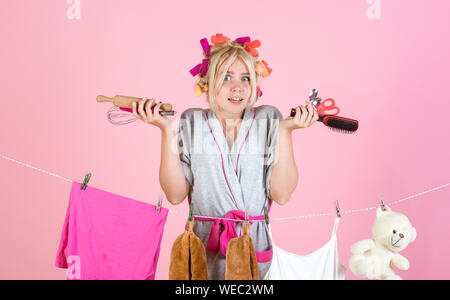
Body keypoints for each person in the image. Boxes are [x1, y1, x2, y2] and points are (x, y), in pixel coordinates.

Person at [132, 34, 319, 279]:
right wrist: (165, 130)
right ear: (208, 81)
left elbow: (282, 194)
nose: (237, 87)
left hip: (251, 244)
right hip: (202, 246)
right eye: (226, 77)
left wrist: (286, 131)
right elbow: (175, 195)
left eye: (245, 78)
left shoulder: (268, 119)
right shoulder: (193, 121)